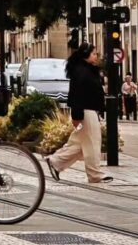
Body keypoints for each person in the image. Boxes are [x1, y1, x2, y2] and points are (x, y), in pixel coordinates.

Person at [46, 43, 113, 185]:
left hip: (88, 110)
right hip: (85, 111)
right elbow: (76, 94)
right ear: (86, 55)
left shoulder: (86, 69)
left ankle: (55, 161)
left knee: (79, 143)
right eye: (94, 53)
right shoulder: (82, 71)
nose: (96, 56)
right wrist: (77, 116)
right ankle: (95, 174)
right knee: (93, 142)